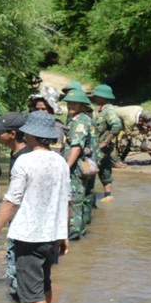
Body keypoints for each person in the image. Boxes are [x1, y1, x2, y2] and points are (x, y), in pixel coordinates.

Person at [0, 111, 70, 303]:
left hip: (28, 236)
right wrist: (63, 234)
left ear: (31, 134)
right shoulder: (60, 162)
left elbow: (12, 201)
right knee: (44, 283)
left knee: (33, 293)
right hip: (51, 235)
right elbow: (66, 200)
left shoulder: (24, 161)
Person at [0, 112, 31, 303]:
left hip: (23, 226)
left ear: (12, 134)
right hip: (28, 225)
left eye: (1, 131)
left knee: (18, 278)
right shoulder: (22, 154)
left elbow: (12, 201)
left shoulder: (24, 159)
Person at [62, 88, 99, 239]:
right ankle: (80, 232)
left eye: (75, 104)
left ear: (83, 105)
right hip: (83, 167)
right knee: (81, 200)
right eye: (69, 103)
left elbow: (76, 147)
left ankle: (73, 236)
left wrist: (65, 167)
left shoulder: (80, 122)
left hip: (76, 168)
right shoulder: (83, 119)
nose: (70, 106)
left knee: (74, 201)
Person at [90, 84, 122, 201]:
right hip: (102, 147)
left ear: (103, 97)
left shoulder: (108, 110)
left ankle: (92, 198)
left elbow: (117, 125)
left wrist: (106, 141)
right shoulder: (102, 110)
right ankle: (107, 196)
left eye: (97, 95)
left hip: (101, 147)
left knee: (92, 170)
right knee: (105, 169)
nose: (95, 97)